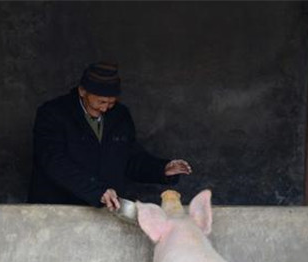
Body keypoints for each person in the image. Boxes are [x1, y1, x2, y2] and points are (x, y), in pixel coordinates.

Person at [28, 62, 192, 211]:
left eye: (111, 103)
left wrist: (161, 169)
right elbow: (54, 162)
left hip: (106, 211)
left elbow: (130, 159)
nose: (105, 109)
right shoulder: (53, 114)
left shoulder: (120, 116)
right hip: (57, 211)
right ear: (82, 91)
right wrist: (96, 190)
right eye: (100, 102)